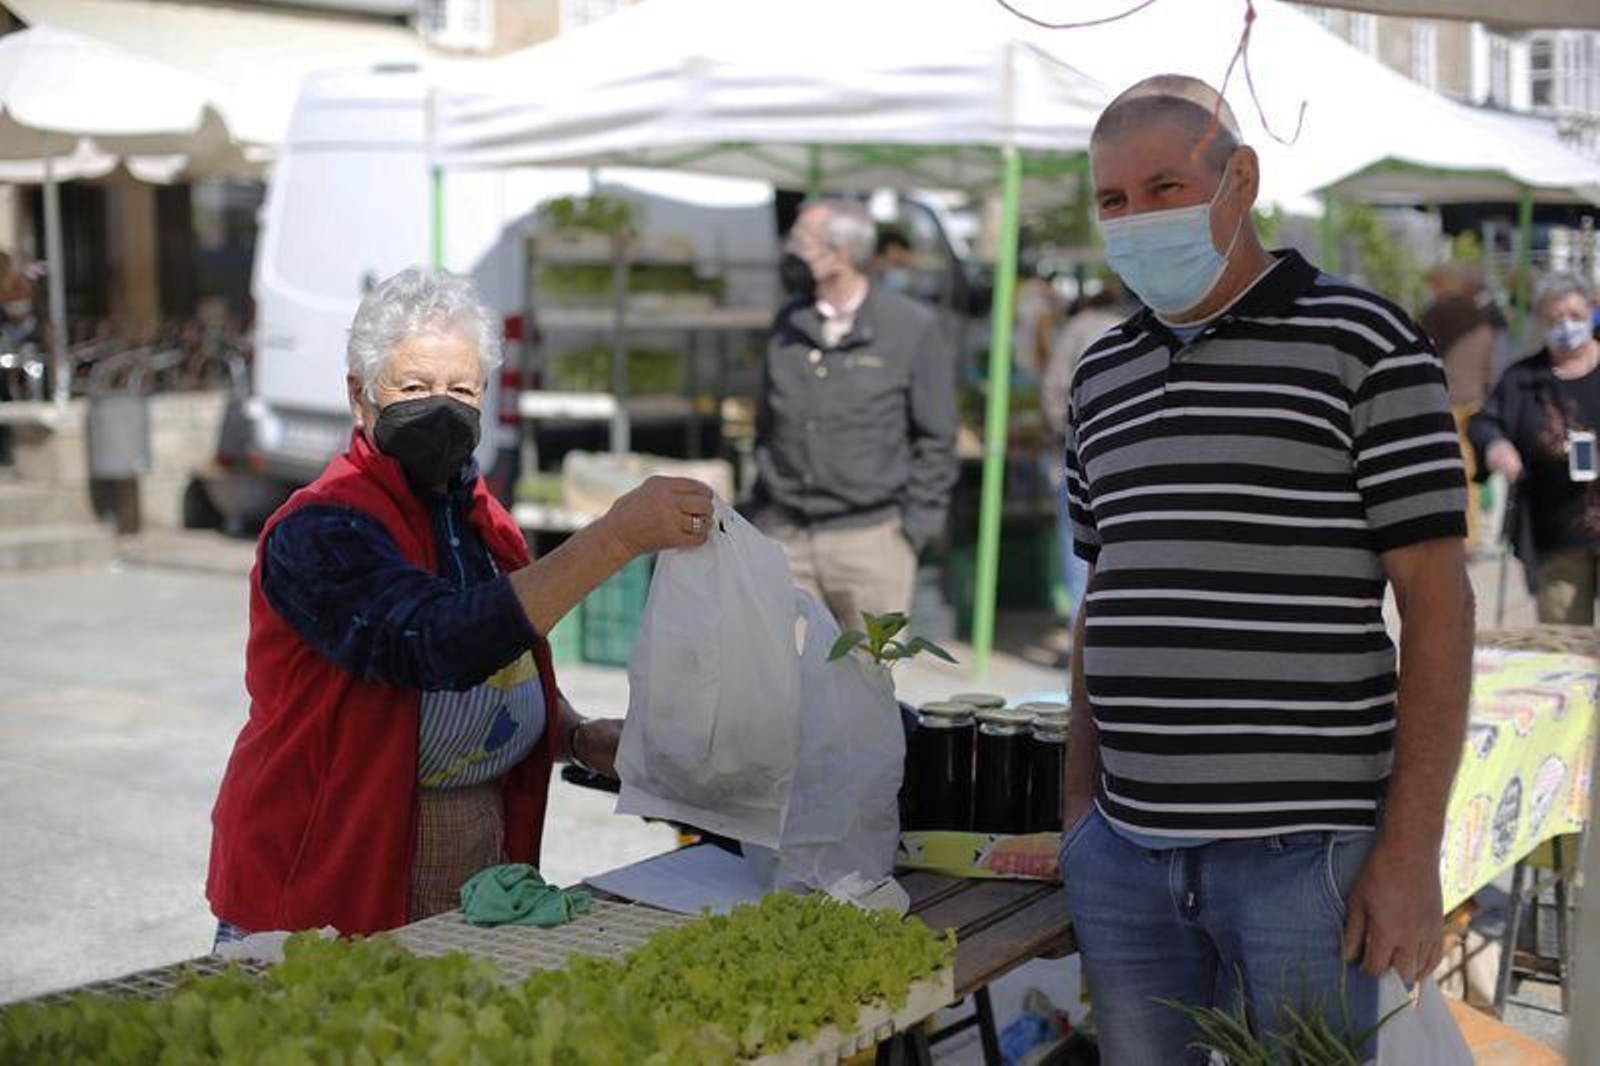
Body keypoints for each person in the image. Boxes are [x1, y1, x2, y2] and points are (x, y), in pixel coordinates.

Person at [1059, 76, 1474, 1064]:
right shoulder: (1100, 375)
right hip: (1125, 851)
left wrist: (1409, 852)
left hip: (1306, 859)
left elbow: (1437, 601)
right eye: (1111, 201)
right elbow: (1101, 594)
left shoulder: (1364, 344)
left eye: (1162, 187)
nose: (1134, 219)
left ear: (1237, 179)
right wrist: (1079, 813)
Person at [207, 267, 713, 940]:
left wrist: (573, 734)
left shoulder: (479, 519)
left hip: (466, 871)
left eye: (461, 389)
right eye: (414, 388)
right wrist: (615, 538)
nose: (440, 407)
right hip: (322, 886)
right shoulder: (319, 529)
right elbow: (434, 643)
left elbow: (496, 666)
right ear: (361, 399)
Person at [752, 198, 959, 631]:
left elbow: (936, 437)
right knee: (783, 682)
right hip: (786, 536)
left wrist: (911, 531)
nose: (789, 252)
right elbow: (766, 423)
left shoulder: (910, 327)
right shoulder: (788, 323)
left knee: (866, 684)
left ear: (840, 254)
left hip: (872, 542)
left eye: (799, 242)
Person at [1469, 273, 1600, 624]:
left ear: (1591, 311)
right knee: (1566, 645)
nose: (1566, 326)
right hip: (1557, 535)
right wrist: (1497, 448)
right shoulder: (1521, 378)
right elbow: (1484, 422)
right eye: (1555, 319)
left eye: (1574, 315)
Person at [1041, 286, 1125, 635]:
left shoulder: (1078, 329)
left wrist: (1071, 433)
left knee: (1080, 554)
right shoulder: (1134, 324)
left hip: (1081, 460)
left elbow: (1053, 390)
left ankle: (1081, 637)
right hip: (1127, 461)